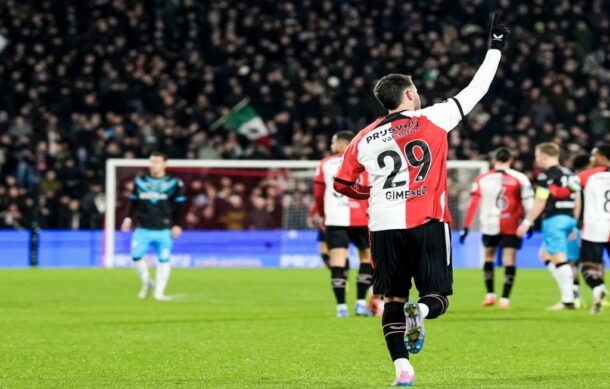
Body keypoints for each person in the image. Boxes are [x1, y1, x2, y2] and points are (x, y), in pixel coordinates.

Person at [333, 15, 509, 387]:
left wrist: (368, 193)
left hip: (382, 226)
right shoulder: (435, 118)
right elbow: (477, 89)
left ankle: (403, 370)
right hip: (428, 220)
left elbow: (341, 183)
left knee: (392, 299)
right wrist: (494, 48)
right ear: (409, 95)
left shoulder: (362, 139)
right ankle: (423, 310)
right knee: (438, 296)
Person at [460, 147, 533, 309]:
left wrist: (466, 226)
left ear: (494, 161)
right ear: (511, 160)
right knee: (509, 259)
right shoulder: (520, 178)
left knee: (488, 257)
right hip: (512, 224)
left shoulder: (482, 178)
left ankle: (490, 295)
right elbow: (529, 202)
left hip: (489, 223)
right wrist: (529, 222)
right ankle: (505, 299)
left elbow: (473, 204)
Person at [314, 131, 374, 318]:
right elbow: (371, 190)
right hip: (362, 218)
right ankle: (360, 303)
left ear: (341, 144)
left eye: (333, 142)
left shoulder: (325, 164)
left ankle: (341, 307)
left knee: (337, 262)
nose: (332, 145)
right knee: (367, 258)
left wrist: (323, 215)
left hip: (335, 219)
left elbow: (318, 195)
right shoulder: (366, 161)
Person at [516, 143, 579, 310]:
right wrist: (577, 221)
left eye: (537, 156)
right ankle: (572, 292)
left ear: (544, 156)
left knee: (560, 259)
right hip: (571, 218)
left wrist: (527, 222)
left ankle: (569, 301)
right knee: (545, 254)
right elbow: (579, 197)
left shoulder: (546, 177)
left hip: (554, 220)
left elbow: (540, 202)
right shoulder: (570, 173)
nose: (536, 160)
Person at [121, 151, 186, 301]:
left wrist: (177, 225)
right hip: (143, 228)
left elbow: (179, 206)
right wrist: (128, 218)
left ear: (165, 164)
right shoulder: (140, 182)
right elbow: (133, 202)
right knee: (136, 257)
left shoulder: (174, 183)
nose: (153, 165)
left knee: (164, 259)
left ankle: (159, 293)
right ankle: (147, 283)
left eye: (157, 161)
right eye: (152, 161)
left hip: (164, 229)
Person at [575, 145, 610, 314]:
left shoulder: (587, 175)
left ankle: (598, 288)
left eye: (594, 156)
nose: (591, 160)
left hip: (595, 227)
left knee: (588, 266)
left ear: (603, 157)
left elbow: (565, 191)